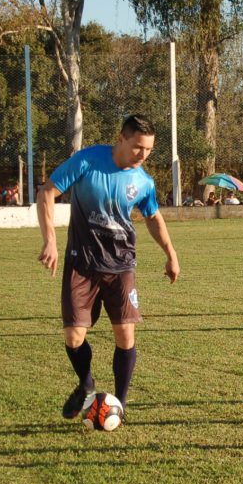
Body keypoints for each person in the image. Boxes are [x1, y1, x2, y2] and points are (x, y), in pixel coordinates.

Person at [36, 114, 181, 417]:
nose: (143, 155)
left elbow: (153, 216)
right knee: (74, 337)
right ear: (121, 138)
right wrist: (50, 240)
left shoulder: (143, 181)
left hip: (121, 264)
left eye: (149, 150)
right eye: (138, 147)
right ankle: (86, 384)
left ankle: (119, 406)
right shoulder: (87, 161)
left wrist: (171, 254)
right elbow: (47, 192)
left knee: (125, 335)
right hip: (81, 262)